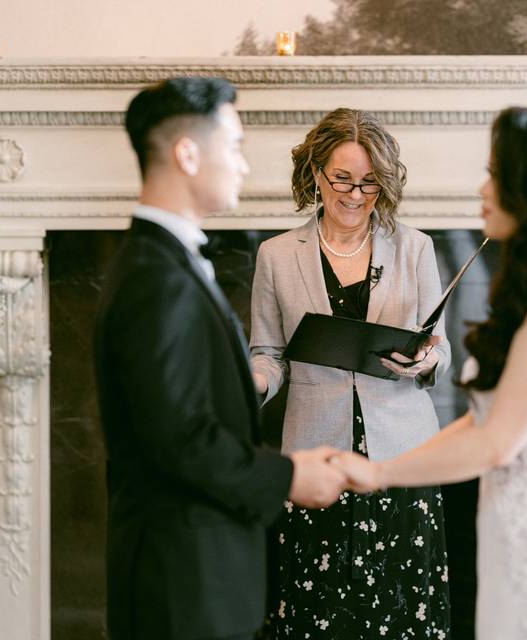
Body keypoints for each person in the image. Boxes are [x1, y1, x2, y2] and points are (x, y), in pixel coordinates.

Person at [334, 107, 527, 640]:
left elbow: (496, 442)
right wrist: (378, 469)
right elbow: (485, 420)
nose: (483, 187)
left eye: (495, 173)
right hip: (514, 535)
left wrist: (377, 474)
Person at [93, 77, 347, 640]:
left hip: (196, 571)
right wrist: (288, 475)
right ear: (187, 153)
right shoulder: (155, 278)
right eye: (233, 146)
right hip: (179, 583)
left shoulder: (164, 262)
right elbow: (179, 440)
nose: (243, 165)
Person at [249, 108, 452, 638]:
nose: (356, 195)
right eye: (343, 179)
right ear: (316, 174)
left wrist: (425, 359)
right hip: (316, 455)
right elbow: (268, 350)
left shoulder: (416, 247)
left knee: (403, 613)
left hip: (402, 454)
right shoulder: (275, 255)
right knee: (318, 612)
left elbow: (439, 346)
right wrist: (254, 382)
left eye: (369, 183)